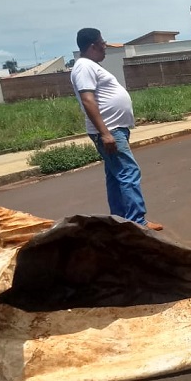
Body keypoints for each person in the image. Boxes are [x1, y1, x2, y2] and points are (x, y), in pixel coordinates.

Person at [70, 28, 163, 231]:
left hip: (113, 128)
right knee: (128, 172)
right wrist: (105, 133)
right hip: (110, 130)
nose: (105, 45)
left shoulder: (89, 66)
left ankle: (119, 221)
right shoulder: (84, 66)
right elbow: (88, 100)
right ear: (93, 45)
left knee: (115, 176)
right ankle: (137, 222)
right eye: (102, 42)